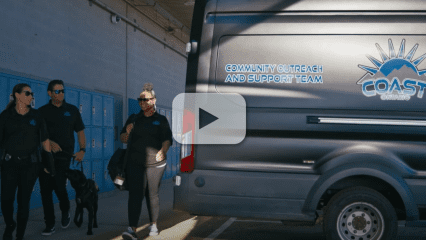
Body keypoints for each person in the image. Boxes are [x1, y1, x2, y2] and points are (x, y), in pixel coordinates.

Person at [0, 83, 55, 240]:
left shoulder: (36, 116)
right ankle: (10, 224)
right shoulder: (5, 116)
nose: (31, 97)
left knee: (24, 202)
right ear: (17, 95)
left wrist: (49, 164)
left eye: (32, 94)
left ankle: (19, 236)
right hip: (9, 165)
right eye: (27, 93)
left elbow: (45, 142)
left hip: (30, 166)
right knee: (6, 200)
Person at [120, 83, 172, 240]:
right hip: (135, 163)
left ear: (154, 100)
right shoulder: (134, 119)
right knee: (135, 195)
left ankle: (153, 224)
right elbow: (123, 139)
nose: (142, 103)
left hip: (155, 164)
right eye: (140, 100)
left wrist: (163, 151)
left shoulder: (161, 120)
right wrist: (127, 133)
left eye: (146, 100)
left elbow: (167, 140)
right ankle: (132, 229)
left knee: (152, 194)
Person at [38, 79, 86, 236]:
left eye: (62, 91)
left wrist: (82, 150)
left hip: (64, 157)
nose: (61, 94)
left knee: (59, 187)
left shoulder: (72, 110)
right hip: (45, 157)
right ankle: (49, 224)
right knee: (46, 191)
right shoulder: (42, 111)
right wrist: (49, 142)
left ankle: (65, 211)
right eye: (57, 91)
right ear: (50, 93)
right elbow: (36, 133)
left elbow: (80, 132)